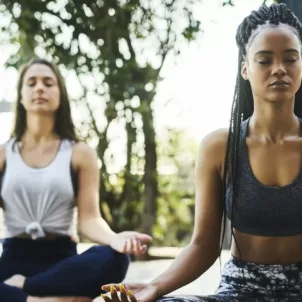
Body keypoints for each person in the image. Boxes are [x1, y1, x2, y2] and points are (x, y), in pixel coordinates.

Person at [100, 3, 302, 302]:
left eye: (290, 58)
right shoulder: (220, 147)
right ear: (245, 68)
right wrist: (155, 287)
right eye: (264, 60)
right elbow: (203, 245)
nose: (279, 69)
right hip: (240, 290)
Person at [0, 57, 153, 302]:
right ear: (21, 96)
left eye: (48, 83)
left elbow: (90, 219)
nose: (40, 87)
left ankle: (25, 288)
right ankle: (44, 300)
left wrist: (116, 239)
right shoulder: (4, 154)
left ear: (60, 95)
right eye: (32, 82)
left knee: (114, 257)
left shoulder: (79, 153)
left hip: (61, 262)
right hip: (13, 257)